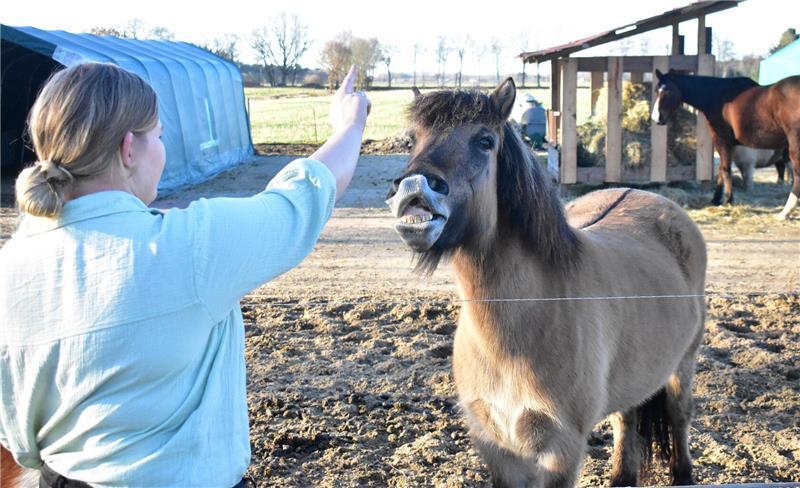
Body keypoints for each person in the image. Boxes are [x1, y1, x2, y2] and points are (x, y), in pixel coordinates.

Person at [0, 62, 370, 487]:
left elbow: (17, 439)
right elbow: (307, 193)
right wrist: (350, 125)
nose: (162, 148)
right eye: (158, 136)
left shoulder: (11, 264)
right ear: (128, 149)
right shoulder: (187, 245)